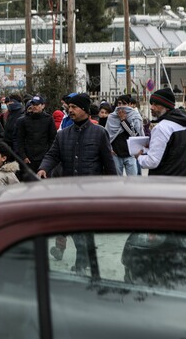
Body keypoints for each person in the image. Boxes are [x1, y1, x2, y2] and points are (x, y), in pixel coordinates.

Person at [37, 93, 116, 273]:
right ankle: (85, 259)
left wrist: (112, 189)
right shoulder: (63, 134)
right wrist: (43, 168)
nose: (70, 110)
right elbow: (52, 155)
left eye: (74, 107)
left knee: (83, 229)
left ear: (85, 110)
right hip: (69, 190)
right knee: (76, 229)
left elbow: (108, 164)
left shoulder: (99, 133)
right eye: (69, 107)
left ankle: (82, 262)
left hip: (90, 191)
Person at [137, 88, 186, 176]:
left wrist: (139, 157)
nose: (152, 107)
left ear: (166, 107)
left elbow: (152, 162)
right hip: (183, 179)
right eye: (151, 104)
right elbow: (174, 151)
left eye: (156, 104)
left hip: (164, 182)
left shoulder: (162, 127)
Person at [14, 95, 57, 173]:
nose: (34, 106)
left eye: (37, 104)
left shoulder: (49, 119)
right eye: (33, 104)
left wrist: (48, 156)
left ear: (43, 106)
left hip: (43, 159)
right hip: (29, 159)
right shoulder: (24, 120)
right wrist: (23, 156)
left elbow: (52, 139)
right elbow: (19, 139)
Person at [105, 95, 144, 176]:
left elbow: (134, 134)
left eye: (124, 103)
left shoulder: (135, 117)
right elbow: (107, 135)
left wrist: (123, 120)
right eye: (119, 103)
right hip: (116, 154)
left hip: (130, 154)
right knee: (117, 182)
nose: (121, 106)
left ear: (129, 104)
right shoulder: (111, 117)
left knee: (133, 181)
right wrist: (110, 149)